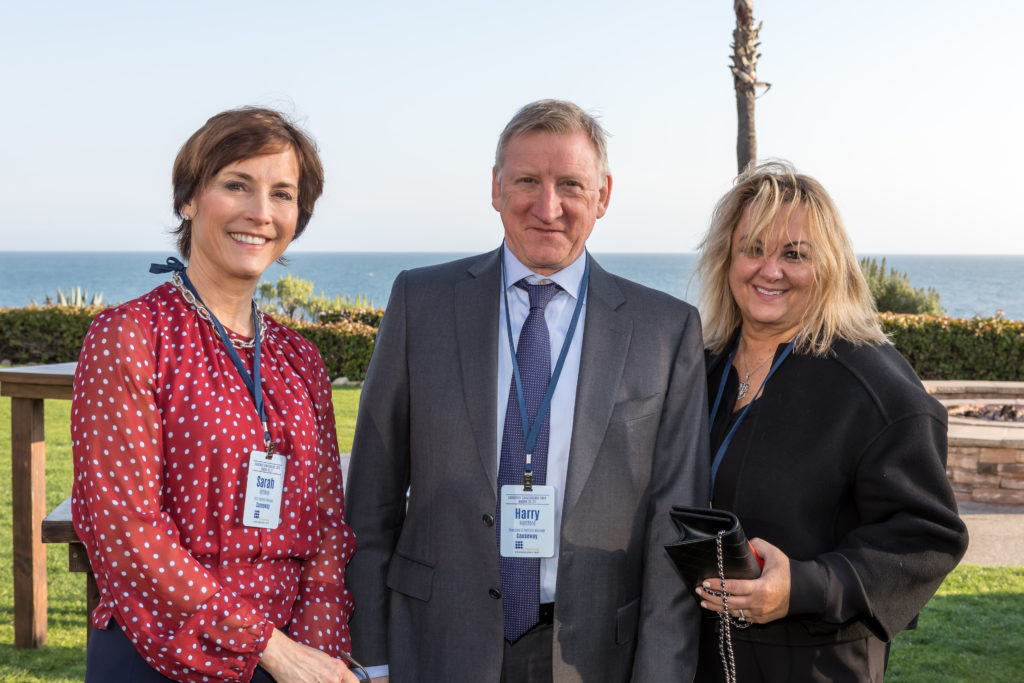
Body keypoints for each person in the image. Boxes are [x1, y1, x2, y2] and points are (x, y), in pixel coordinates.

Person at [344, 99, 709, 682]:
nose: (548, 207)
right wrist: (372, 660)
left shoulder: (666, 330)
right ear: (495, 188)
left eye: (570, 184)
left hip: (592, 656)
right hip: (435, 647)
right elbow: (370, 502)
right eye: (526, 181)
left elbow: (675, 523)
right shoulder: (421, 303)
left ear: (603, 195)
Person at [71, 107, 360, 683]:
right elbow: (124, 533)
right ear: (189, 198)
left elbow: (327, 527)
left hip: (294, 661)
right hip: (162, 653)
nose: (260, 213)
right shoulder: (131, 337)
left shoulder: (298, 359)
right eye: (237, 185)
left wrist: (320, 653)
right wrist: (268, 649)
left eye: (282, 193)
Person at [692, 161, 969, 682]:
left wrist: (805, 586)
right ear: (727, 258)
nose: (769, 270)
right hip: (695, 659)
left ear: (830, 266)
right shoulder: (698, 368)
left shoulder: (875, 386)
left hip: (816, 666)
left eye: (794, 254)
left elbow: (928, 537)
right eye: (753, 248)